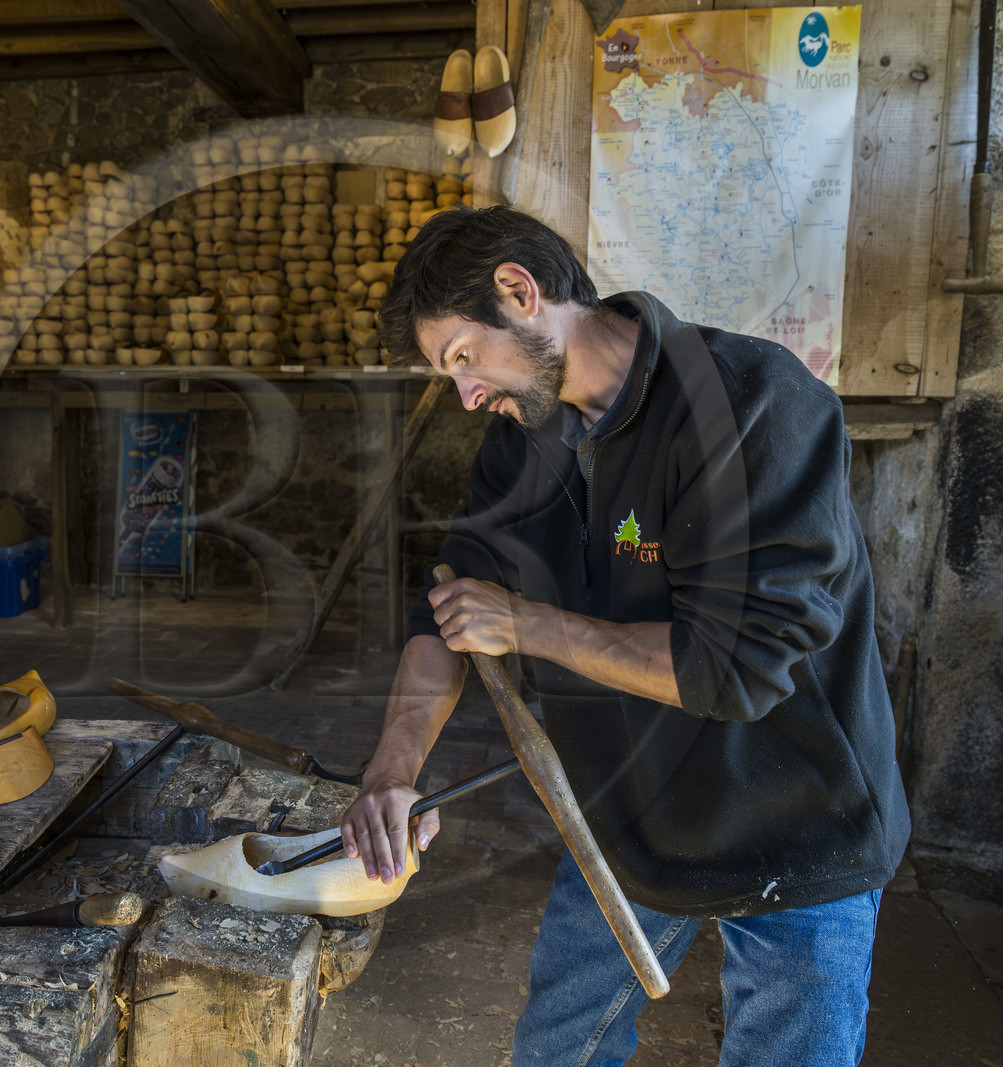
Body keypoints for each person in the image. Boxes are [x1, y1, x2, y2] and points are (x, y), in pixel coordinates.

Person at [339, 205, 910, 1066]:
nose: (465, 394)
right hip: (628, 824)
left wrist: (527, 623)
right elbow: (448, 613)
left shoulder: (754, 403)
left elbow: (734, 670)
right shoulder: (521, 443)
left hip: (799, 824)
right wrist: (392, 770)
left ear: (519, 291)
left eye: (462, 358)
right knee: (556, 1052)